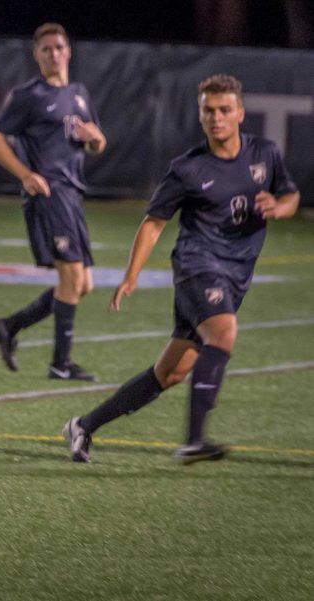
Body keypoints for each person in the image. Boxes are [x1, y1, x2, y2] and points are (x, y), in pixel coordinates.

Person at [63, 74, 299, 464]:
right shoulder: (187, 168)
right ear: (200, 114)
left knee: (170, 373)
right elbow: (154, 222)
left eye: (224, 110)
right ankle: (194, 441)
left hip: (237, 273)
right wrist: (132, 274)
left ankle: (84, 426)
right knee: (222, 335)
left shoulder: (265, 153)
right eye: (208, 110)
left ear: (240, 113)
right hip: (197, 266)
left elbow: (290, 194)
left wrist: (281, 207)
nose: (216, 117)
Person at [0, 22, 107, 381]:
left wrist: (95, 137)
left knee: (83, 284)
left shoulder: (79, 94)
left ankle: (9, 326)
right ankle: (61, 364)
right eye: (46, 49)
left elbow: (97, 143)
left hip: (73, 193)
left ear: (69, 51)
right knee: (70, 277)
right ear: (37, 55)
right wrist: (25, 174)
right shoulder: (29, 95)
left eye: (59, 47)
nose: (54, 54)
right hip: (48, 193)